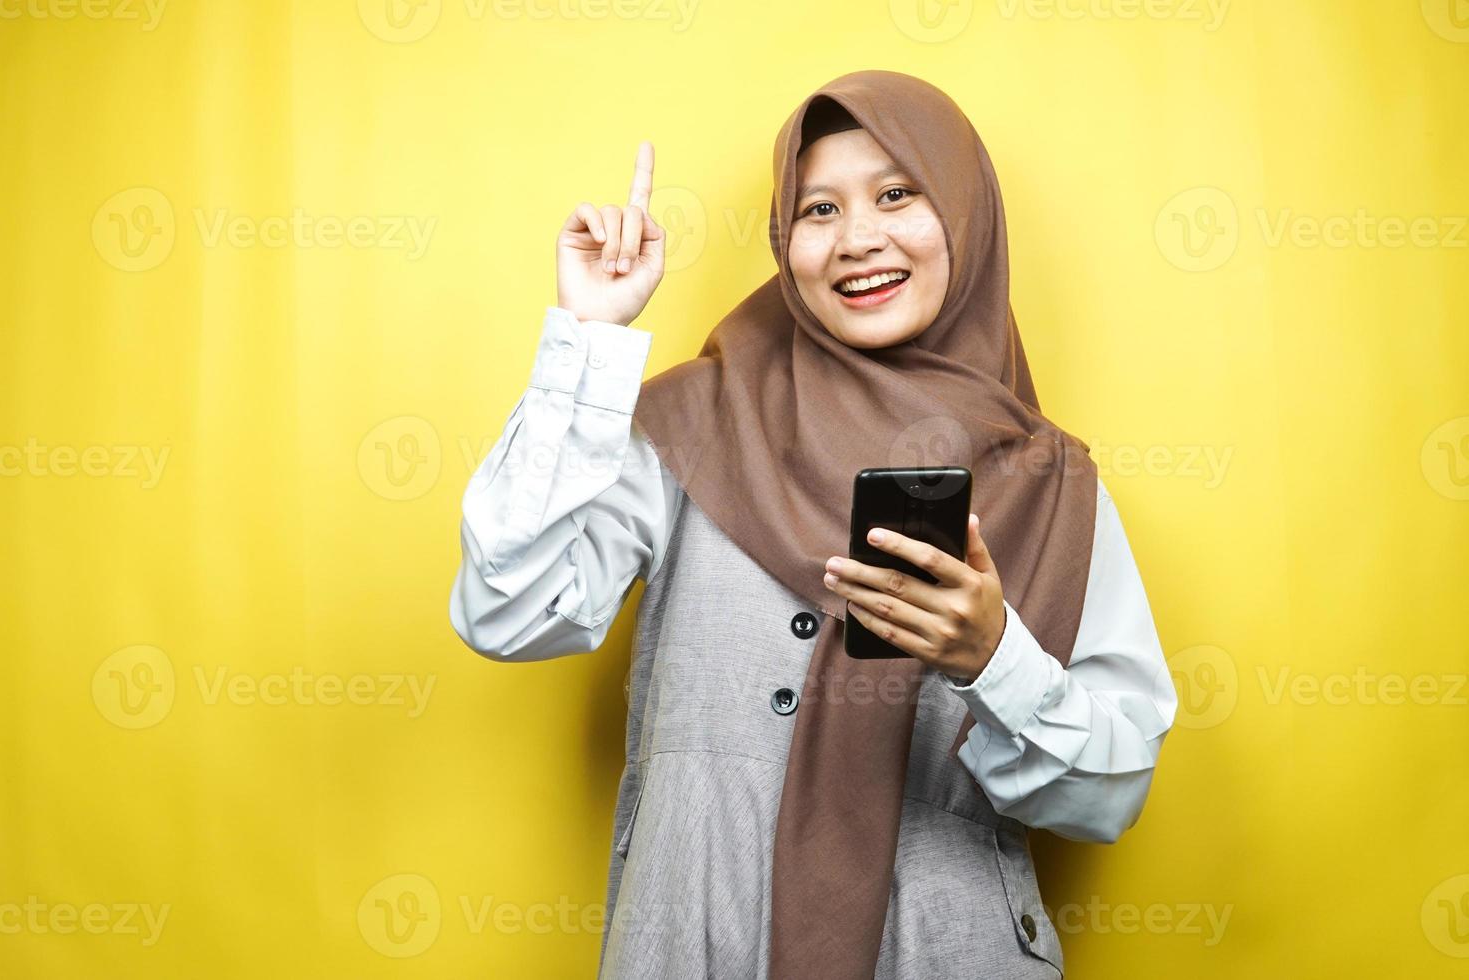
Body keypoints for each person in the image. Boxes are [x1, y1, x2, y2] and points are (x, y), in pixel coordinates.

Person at [449, 69, 1177, 980]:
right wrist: (587, 343)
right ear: (783, 240)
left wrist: (995, 659)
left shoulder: (1055, 483)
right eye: (817, 210)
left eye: (898, 194)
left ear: (966, 215)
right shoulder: (692, 426)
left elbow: (1108, 797)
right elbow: (507, 612)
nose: (857, 240)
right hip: (697, 937)